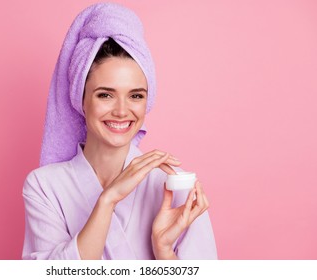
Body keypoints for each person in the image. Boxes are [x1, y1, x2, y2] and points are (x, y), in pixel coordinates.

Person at [22, 3, 217, 260]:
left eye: (135, 95)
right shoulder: (45, 186)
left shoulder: (175, 186)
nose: (122, 111)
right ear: (80, 99)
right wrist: (108, 200)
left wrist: (164, 250)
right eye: (105, 95)